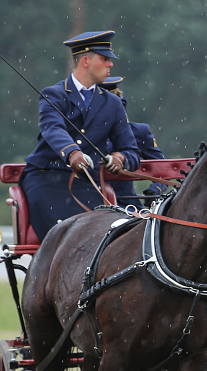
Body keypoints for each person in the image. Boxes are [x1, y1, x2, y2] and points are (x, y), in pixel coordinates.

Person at [20, 31, 140, 241]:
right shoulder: (54, 95)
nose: (110, 64)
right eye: (104, 59)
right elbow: (52, 128)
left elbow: (131, 150)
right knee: (65, 236)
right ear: (85, 61)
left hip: (87, 183)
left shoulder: (113, 104)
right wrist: (72, 152)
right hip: (46, 178)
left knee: (102, 235)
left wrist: (120, 158)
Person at [99, 76, 167, 206]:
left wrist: (154, 191)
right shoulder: (79, 134)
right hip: (86, 205)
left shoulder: (140, 132)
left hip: (127, 207)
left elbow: (162, 171)